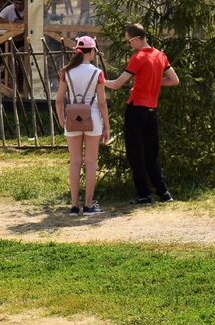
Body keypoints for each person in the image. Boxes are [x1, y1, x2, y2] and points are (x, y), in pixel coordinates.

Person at [103, 23, 181, 204]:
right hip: (152, 110)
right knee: (151, 153)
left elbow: (117, 84)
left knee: (135, 152)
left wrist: (100, 80)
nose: (129, 45)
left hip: (136, 108)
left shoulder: (138, 58)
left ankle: (144, 194)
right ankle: (163, 192)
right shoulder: (160, 55)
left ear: (137, 39)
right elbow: (174, 80)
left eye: (129, 41)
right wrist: (153, 81)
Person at [56, 35, 110, 214]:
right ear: (92, 50)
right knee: (90, 162)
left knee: (75, 162)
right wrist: (107, 126)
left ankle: (73, 205)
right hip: (92, 118)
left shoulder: (66, 72)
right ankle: (88, 205)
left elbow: (58, 101)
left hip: (72, 119)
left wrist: (62, 120)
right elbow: (102, 103)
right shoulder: (97, 72)